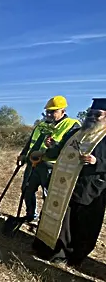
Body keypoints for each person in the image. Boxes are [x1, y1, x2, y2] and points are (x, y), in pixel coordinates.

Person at [32, 98, 106, 267]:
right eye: (90, 113)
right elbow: (61, 151)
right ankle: (55, 251)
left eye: (98, 114)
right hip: (66, 185)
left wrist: (97, 162)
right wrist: (53, 145)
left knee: (83, 224)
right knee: (64, 220)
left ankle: (75, 256)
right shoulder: (77, 133)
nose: (92, 117)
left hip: (92, 187)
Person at [17, 95, 80, 222]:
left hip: (51, 167)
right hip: (33, 164)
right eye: (48, 111)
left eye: (53, 111)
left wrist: (53, 146)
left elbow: (70, 149)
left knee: (49, 196)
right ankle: (31, 215)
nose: (50, 114)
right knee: (27, 190)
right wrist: (24, 154)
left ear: (63, 111)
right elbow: (31, 142)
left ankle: (45, 221)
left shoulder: (72, 125)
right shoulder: (41, 125)